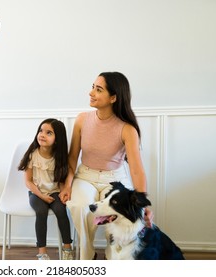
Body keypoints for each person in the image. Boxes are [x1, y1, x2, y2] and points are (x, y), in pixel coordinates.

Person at [60, 72, 153, 260]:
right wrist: (67, 185)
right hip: (85, 176)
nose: (91, 92)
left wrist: (142, 204)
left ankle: (112, 259)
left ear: (113, 97)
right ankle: (87, 257)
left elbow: (136, 169)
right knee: (79, 207)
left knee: (117, 212)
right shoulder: (82, 120)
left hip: (115, 179)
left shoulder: (127, 129)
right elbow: (71, 159)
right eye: (93, 86)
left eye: (98, 89)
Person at [18, 118, 74, 260]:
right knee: (41, 211)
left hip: (54, 191)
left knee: (61, 210)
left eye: (49, 133)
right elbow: (28, 182)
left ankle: (67, 248)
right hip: (36, 192)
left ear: (57, 139)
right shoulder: (32, 154)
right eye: (41, 131)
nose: (42, 135)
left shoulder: (59, 157)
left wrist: (63, 192)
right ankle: (42, 253)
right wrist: (42, 196)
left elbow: (61, 180)